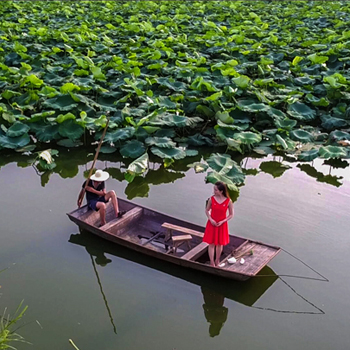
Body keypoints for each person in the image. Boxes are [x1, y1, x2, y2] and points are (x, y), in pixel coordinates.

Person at [203, 181, 234, 267]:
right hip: (212, 223)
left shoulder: (228, 201)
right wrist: (211, 219)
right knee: (211, 244)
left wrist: (223, 221)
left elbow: (231, 215)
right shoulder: (211, 199)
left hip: (222, 225)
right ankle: (212, 262)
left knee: (220, 244)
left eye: (216, 190)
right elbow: (207, 210)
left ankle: (217, 260)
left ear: (221, 191)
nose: (214, 191)